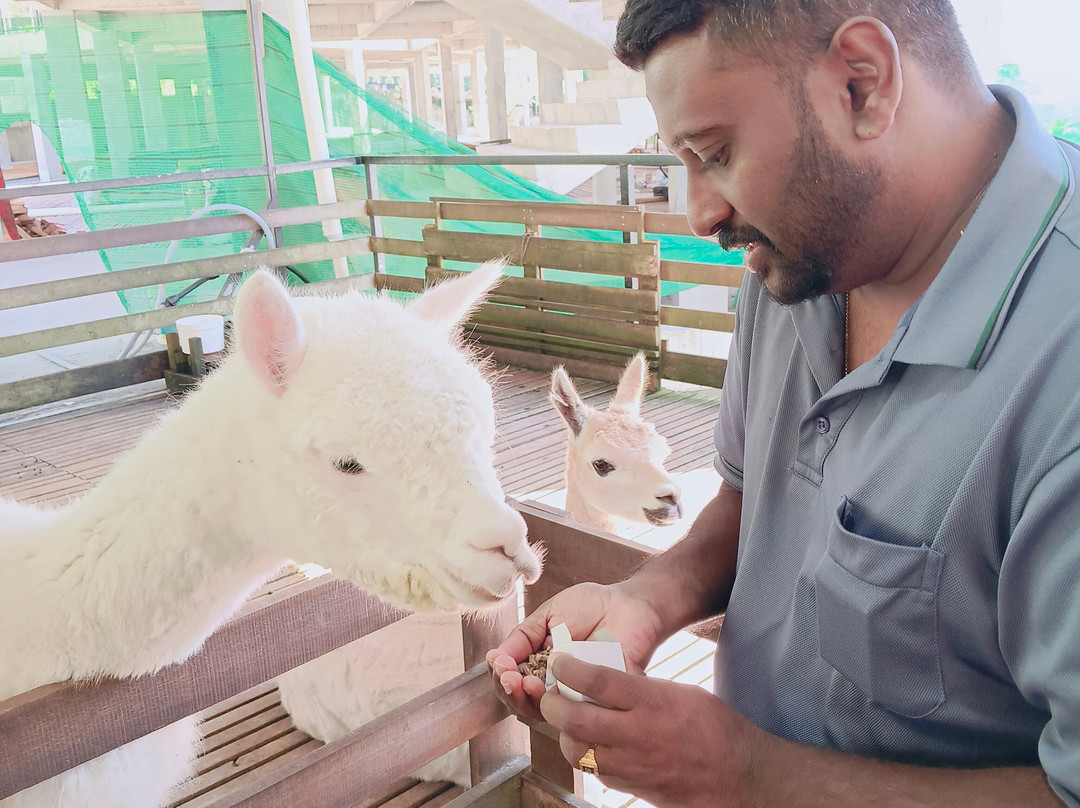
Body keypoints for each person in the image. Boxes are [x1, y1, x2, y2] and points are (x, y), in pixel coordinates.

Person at [486, 1, 1080, 806]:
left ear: (862, 83)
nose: (701, 213)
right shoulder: (795, 263)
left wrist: (743, 776)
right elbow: (748, 501)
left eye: (717, 153)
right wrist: (643, 601)